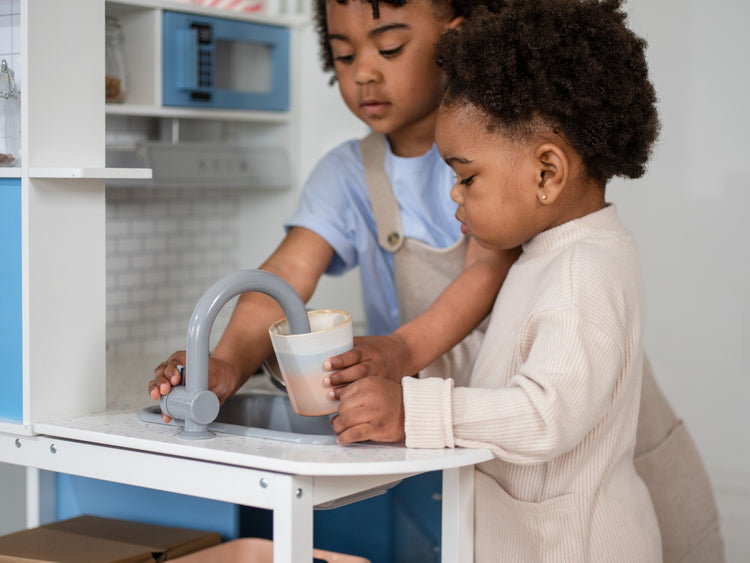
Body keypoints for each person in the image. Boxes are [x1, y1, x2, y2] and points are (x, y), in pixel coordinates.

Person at [330, 0, 670, 559]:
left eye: (467, 176)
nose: (454, 194)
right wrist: (406, 370)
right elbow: (506, 368)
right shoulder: (543, 254)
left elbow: (543, 416)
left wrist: (413, 410)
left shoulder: (587, 270)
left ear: (546, 172)